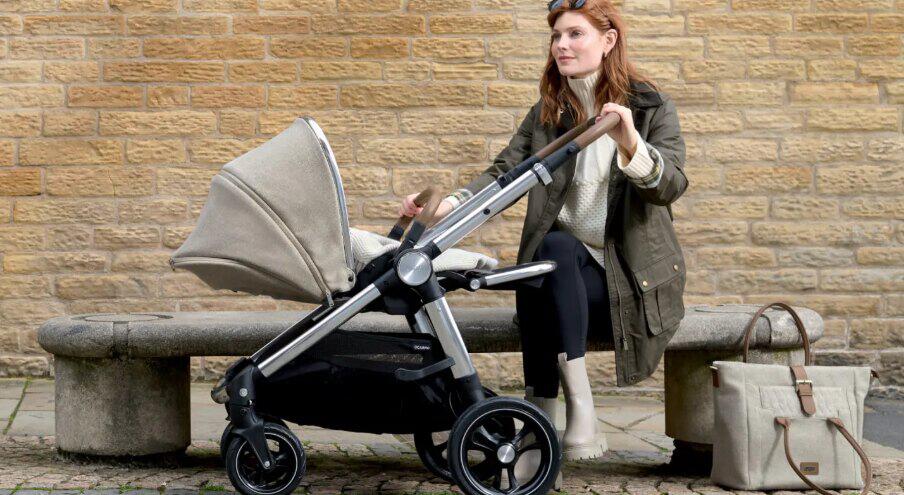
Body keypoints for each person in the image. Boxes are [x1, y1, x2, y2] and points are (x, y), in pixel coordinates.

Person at [399, 0, 688, 476]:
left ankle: (559, 418)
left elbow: (671, 184)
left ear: (608, 40)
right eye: (556, 37)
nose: (561, 46)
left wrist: (631, 142)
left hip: (627, 278)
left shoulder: (651, 106)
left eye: (575, 34)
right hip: (563, 277)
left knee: (549, 256)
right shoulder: (549, 112)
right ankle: (551, 422)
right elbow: (503, 173)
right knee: (544, 261)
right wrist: (443, 205)